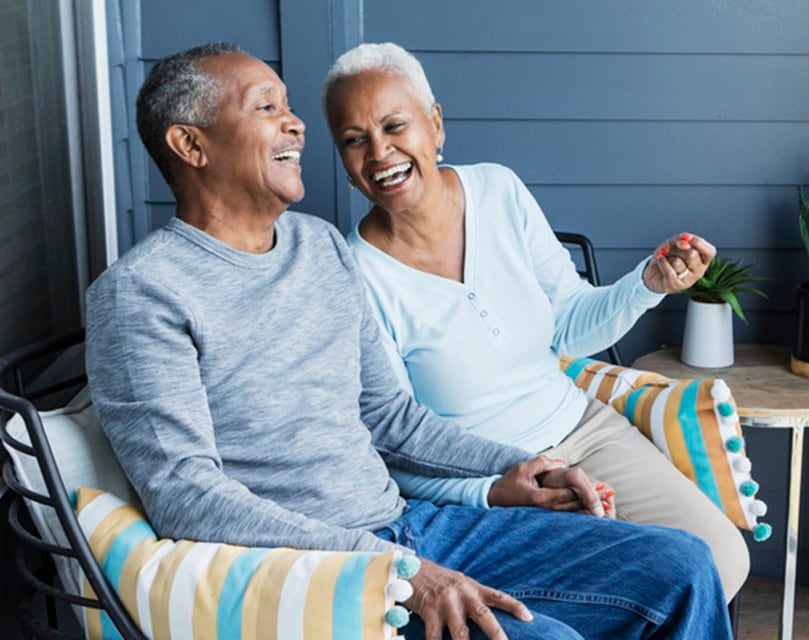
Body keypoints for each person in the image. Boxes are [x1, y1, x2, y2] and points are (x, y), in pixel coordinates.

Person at [85, 41, 729, 640]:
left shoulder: (317, 247)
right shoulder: (144, 293)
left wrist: (507, 463)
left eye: (288, 107)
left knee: (683, 564)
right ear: (190, 145)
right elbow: (185, 496)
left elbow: (390, 418)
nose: (296, 124)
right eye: (266, 108)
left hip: (411, 529)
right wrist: (393, 569)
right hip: (323, 575)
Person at [321, 42, 751, 600]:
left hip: (584, 431)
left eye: (395, 125)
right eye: (355, 140)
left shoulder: (498, 190)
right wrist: (497, 490)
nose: (380, 153)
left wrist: (648, 285)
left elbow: (571, 326)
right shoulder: (355, 275)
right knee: (621, 598)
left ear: (435, 124)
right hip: (490, 486)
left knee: (722, 560)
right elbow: (395, 446)